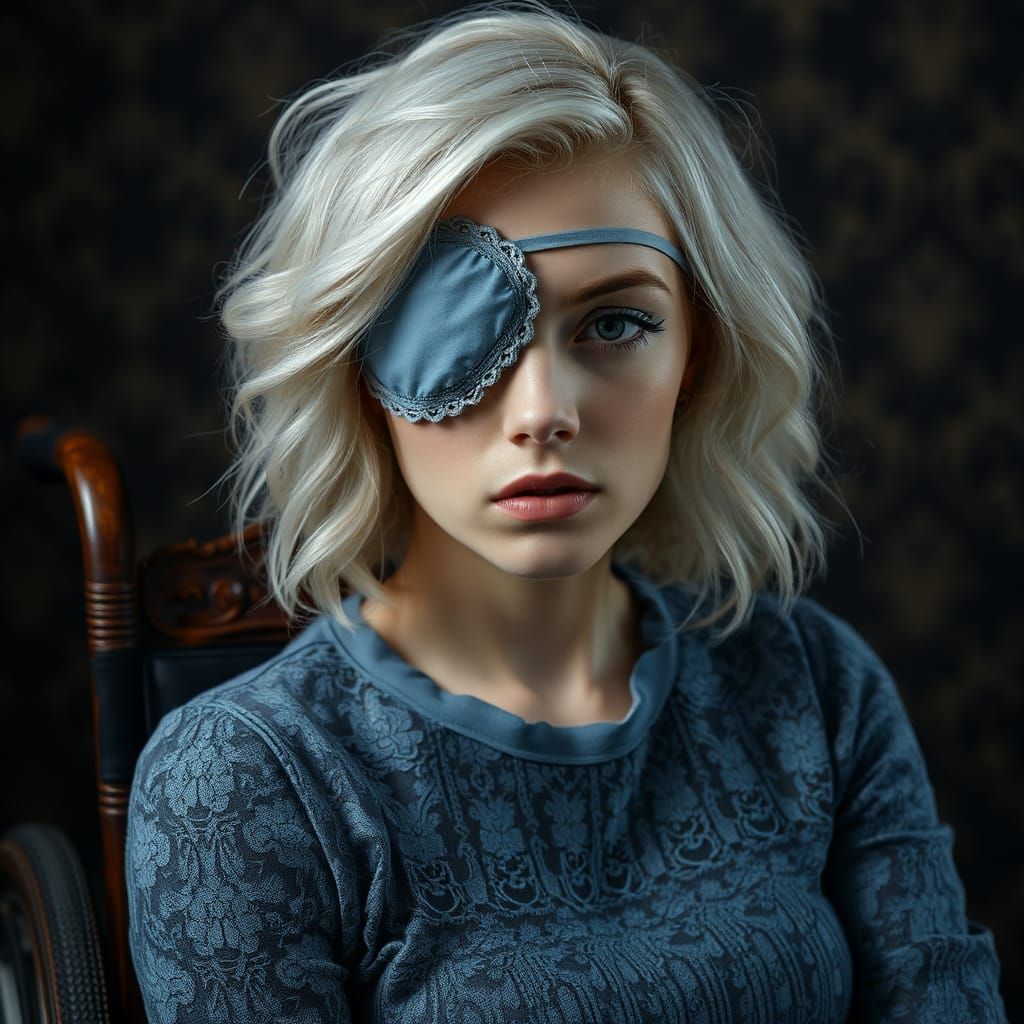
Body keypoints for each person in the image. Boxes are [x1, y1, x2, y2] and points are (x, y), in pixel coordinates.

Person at [124, 2, 1007, 1021]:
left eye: (617, 322)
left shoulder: (813, 689)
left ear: (699, 354)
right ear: (357, 372)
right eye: (456, 329)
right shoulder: (241, 780)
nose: (544, 412)